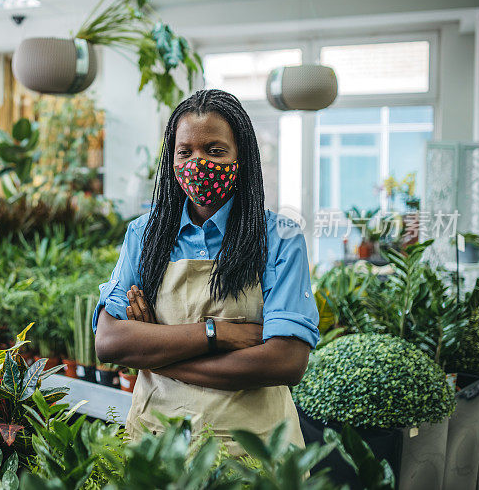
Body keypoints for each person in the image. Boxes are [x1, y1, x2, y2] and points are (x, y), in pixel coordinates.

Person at [92, 89, 319, 455]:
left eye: (214, 151)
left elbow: (286, 361)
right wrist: (218, 333)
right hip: (157, 446)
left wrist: (158, 353)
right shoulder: (144, 235)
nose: (198, 163)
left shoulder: (279, 239)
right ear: (172, 159)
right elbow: (110, 342)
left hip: (252, 453)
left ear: (240, 157)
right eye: (186, 152)